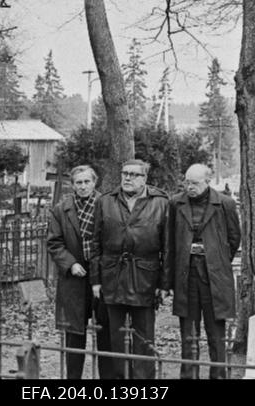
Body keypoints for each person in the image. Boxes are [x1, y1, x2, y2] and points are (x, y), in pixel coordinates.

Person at [90, 159, 172, 379]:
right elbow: (95, 243)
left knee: (144, 336)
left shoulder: (161, 202)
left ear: (145, 178)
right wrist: (96, 280)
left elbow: (168, 247)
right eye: (125, 173)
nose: (127, 178)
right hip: (112, 275)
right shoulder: (106, 201)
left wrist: (164, 284)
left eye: (134, 175)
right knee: (116, 336)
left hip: (145, 276)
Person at [170, 164, 241, 379]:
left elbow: (233, 238)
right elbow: (170, 242)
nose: (189, 187)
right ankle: (189, 376)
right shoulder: (175, 203)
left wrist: (214, 258)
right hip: (186, 276)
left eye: (195, 183)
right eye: (187, 182)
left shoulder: (225, 204)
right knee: (188, 334)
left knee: (216, 334)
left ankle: (218, 375)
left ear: (208, 182)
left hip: (215, 278)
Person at [47, 165, 115, 379]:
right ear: (72, 185)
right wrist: (70, 263)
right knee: (74, 334)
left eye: (87, 182)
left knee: (106, 333)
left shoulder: (108, 205)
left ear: (95, 182)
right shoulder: (61, 209)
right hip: (74, 279)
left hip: (102, 277)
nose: (83, 186)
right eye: (79, 182)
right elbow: (54, 242)